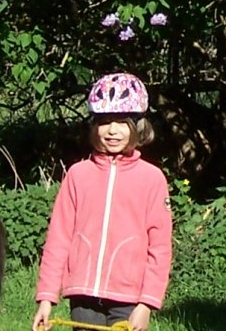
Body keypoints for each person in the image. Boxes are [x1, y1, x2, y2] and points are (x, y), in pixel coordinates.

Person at [32, 73, 173, 331]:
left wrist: (146, 303)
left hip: (129, 299)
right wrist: (46, 297)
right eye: (104, 122)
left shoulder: (152, 179)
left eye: (121, 122)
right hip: (83, 297)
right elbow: (59, 238)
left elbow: (160, 248)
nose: (112, 130)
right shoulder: (78, 175)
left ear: (138, 126)